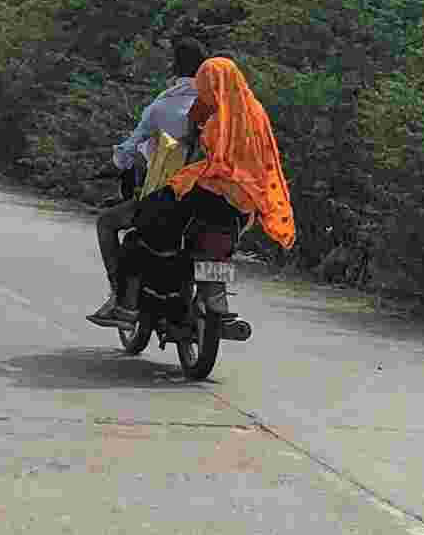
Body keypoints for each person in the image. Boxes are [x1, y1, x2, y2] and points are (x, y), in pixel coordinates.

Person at [97, 53, 297, 326]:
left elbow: (199, 156)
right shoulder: (256, 112)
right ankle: (212, 295)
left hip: (209, 192)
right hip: (246, 201)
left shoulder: (212, 117)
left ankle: (127, 305)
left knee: (143, 227)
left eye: (205, 84)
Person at [88, 38, 210, 326]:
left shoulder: (162, 106)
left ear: (174, 66)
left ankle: (120, 298)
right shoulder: (222, 105)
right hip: (215, 200)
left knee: (107, 222)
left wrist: (110, 166)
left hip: (168, 196)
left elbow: (129, 150)